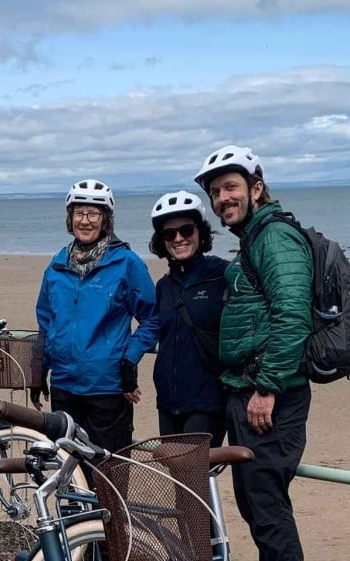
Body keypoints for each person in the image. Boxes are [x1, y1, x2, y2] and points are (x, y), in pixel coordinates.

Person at [193, 144, 311, 561]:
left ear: (256, 187)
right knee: (255, 503)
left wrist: (267, 386)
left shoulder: (276, 237)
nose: (223, 198)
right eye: (216, 192)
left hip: (270, 397)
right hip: (248, 390)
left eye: (231, 187)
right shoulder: (255, 238)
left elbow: (292, 314)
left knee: (268, 505)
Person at [34, 179, 159, 453]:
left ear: (106, 220)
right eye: (79, 213)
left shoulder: (126, 263)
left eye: (93, 213)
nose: (86, 221)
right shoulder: (56, 266)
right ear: (70, 218)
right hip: (64, 386)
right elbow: (46, 323)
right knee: (67, 472)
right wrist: (38, 369)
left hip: (107, 387)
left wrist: (130, 358)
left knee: (107, 473)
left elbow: (153, 317)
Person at [148, 191, 227, 446]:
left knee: (193, 480)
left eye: (186, 230)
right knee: (178, 480)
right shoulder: (164, 286)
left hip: (207, 401)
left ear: (200, 232)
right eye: (169, 234)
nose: (179, 238)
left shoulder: (223, 275)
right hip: (168, 401)